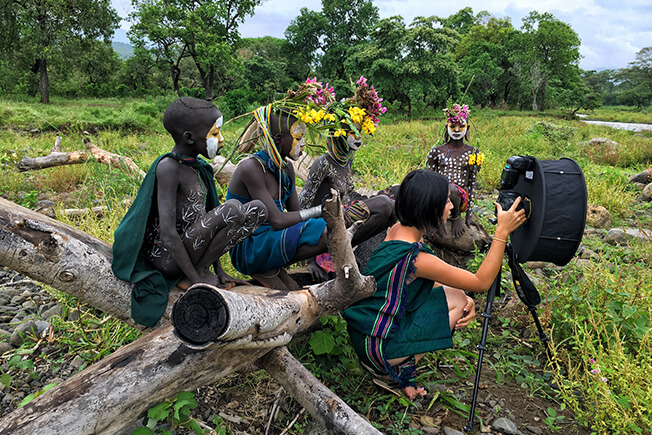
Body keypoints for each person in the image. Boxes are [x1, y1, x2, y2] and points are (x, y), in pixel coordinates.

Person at [342, 169, 526, 400]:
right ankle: (395, 373)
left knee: (459, 296)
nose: (452, 206)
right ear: (429, 207)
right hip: (378, 350)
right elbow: (481, 282)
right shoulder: (417, 258)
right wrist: (502, 232)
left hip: (366, 335)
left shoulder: (399, 229)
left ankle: (394, 364)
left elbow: (418, 280)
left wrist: (466, 297)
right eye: (447, 201)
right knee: (458, 302)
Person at [112, 97, 267, 327]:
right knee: (233, 208)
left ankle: (202, 269)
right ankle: (191, 275)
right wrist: (195, 281)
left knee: (258, 210)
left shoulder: (198, 168)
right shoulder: (168, 168)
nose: (221, 140)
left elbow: (210, 217)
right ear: (189, 138)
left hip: (192, 248)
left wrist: (219, 270)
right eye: (215, 134)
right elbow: (167, 233)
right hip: (167, 257)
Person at [299, 76, 394, 281]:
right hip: (319, 233)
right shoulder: (323, 163)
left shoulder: (346, 160)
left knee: (387, 208)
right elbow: (302, 205)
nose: (357, 137)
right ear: (338, 133)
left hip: (340, 224)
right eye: (351, 132)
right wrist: (309, 259)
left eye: (359, 131)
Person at [226, 104, 328, 290]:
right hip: (249, 247)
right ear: (279, 139)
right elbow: (278, 220)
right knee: (324, 231)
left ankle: (271, 266)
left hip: (271, 239)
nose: (303, 143)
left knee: (295, 292)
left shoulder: (286, 169)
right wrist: (320, 211)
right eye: (298, 138)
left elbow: (296, 216)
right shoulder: (251, 168)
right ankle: (262, 266)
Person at [427, 104, 484, 237]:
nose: (457, 130)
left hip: (461, 198)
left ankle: (455, 217)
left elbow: (472, 184)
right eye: (453, 127)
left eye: (461, 126)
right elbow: (429, 181)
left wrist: (468, 216)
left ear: (467, 128)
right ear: (446, 128)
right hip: (440, 197)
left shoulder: (473, 152)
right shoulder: (436, 151)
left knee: (452, 188)